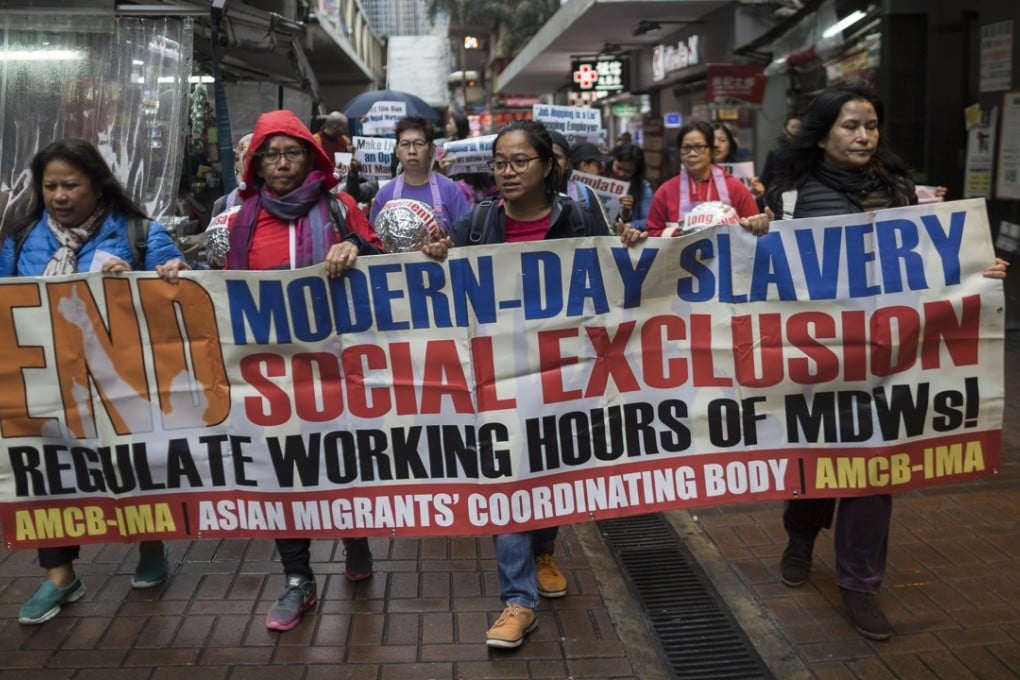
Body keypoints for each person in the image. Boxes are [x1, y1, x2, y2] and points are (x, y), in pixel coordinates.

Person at [762, 83, 1008, 642]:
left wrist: (976, 268)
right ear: (823, 134)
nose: (863, 135)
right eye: (851, 126)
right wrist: (756, 230)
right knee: (818, 465)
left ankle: (860, 584)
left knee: (876, 469)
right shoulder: (793, 195)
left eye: (870, 125)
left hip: (889, 359)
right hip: (820, 360)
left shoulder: (895, 189)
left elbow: (931, 261)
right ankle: (801, 535)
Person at [446, 120, 646, 650]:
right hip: (500, 380)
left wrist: (630, 242)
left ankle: (542, 551)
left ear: (548, 166)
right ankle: (519, 600)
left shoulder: (582, 215)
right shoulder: (477, 223)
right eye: (499, 162)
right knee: (507, 478)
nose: (507, 172)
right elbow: (437, 276)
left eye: (519, 162)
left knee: (551, 472)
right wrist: (431, 255)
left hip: (564, 376)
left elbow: (621, 274)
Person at [211, 109, 389, 632]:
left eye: (293, 152)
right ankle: (298, 579)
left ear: (311, 157)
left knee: (341, 458)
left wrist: (353, 244)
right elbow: (221, 290)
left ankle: (354, 537)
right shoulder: (236, 217)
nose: (283, 163)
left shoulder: (339, 206)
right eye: (272, 154)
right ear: (257, 164)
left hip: (335, 366)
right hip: (271, 373)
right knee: (282, 471)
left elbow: (382, 259)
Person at [0, 138, 190, 625]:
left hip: (122, 381)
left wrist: (165, 276)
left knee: (132, 465)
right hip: (47, 386)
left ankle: (151, 545)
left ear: (97, 185)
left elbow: (182, 298)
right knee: (48, 475)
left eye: (70, 185)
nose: (58, 196)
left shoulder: (139, 234)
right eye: (49, 187)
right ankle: (60, 576)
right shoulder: (21, 240)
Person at [645, 121, 770, 237]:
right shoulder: (666, 191)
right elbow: (651, 233)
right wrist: (675, 233)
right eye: (686, 148)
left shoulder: (735, 187)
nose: (692, 153)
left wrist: (760, 222)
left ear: (711, 150)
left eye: (699, 147)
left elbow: (754, 227)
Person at [370, 115, 472, 230]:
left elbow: (465, 237)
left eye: (419, 144)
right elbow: (374, 242)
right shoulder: (384, 195)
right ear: (397, 151)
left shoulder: (451, 190)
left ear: (430, 150)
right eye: (405, 144)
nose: (412, 151)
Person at [548, 130, 612, 235]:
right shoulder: (521, 196)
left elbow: (605, 239)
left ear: (568, 163)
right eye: (544, 157)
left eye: (557, 157)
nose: (551, 163)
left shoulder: (584, 193)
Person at [712, 121, 765, 205]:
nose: (716, 144)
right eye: (711, 139)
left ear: (730, 145)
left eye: (722, 140)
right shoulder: (694, 173)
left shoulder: (743, 173)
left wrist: (757, 197)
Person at [609, 143, 654, 230]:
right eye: (618, 168)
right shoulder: (601, 177)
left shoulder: (644, 189)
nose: (621, 174)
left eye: (628, 171)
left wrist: (628, 226)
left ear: (636, 171)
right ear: (613, 161)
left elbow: (648, 221)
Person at [210, 133, 253, 218]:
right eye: (247, 158)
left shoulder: (279, 201)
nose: (253, 163)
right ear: (237, 162)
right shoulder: (223, 204)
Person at [758, 112, 802, 191]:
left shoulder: (807, 150)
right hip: (781, 191)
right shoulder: (775, 152)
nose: (796, 130)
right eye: (793, 127)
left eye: (799, 127)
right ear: (785, 129)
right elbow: (766, 177)